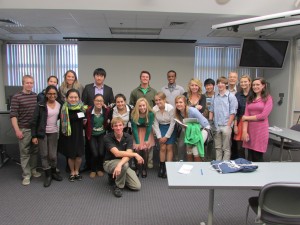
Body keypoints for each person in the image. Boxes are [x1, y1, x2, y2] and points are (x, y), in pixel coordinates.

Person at [10, 75, 41, 186]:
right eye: (27, 83)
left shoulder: (35, 96)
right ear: (23, 83)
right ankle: (26, 175)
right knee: (25, 153)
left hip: (35, 130)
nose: (29, 85)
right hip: (24, 129)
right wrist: (17, 130)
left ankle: (33, 170)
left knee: (34, 151)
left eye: (31, 83)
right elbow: (13, 115)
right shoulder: (16, 97)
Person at [31, 85, 63, 187]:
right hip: (42, 133)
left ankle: (53, 172)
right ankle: (48, 175)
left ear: (57, 94)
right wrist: (34, 136)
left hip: (54, 132)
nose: (52, 95)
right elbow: (34, 121)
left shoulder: (60, 104)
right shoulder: (40, 105)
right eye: (50, 93)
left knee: (52, 155)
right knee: (44, 155)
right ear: (46, 94)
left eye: (54, 93)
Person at [103, 117, 144, 198]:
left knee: (136, 186)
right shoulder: (107, 137)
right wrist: (135, 154)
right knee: (124, 165)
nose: (118, 128)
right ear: (112, 127)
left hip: (122, 163)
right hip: (109, 163)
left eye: (120, 125)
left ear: (123, 126)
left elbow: (128, 154)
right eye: (115, 126)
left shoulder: (128, 137)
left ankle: (115, 177)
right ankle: (118, 186)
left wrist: (119, 164)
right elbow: (117, 153)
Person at [129, 70, 157, 169]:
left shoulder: (153, 91)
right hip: (138, 120)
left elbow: (156, 105)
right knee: (137, 143)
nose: (145, 78)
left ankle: (149, 161)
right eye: (143, 77)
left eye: (147, 77)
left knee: (149, 143)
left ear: (149, 79)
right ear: (140, 78)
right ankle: (138, 162)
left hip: (148, 120)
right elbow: (131, 105)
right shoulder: (134, 91)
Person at [242, 77, 273, 162]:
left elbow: (263, 116)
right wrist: (244, 132)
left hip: (261, 131)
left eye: (258, 85)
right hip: (250, 130)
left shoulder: (268, 98)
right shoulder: (250, 99)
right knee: (250, 156)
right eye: (254, 85)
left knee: (258, 156)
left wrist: (247, 118)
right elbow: (245, 115)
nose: (255, 86)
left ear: (263, 86)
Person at [58, 89, 87, 182]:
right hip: (68, 135)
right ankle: (72, 172)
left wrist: (78, 116)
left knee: (79, 155)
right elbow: (73, 117)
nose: (73, 99)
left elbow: (82, 117)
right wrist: (79, 116)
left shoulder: (82, 107)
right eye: (71, 97)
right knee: (70, 155)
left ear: (79, 98)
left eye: (75, 97)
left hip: (79, 135)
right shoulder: (63, 108)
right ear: (66, 98)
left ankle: (77, 171)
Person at [209, 76, 238, 161]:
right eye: (219, 83)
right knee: (217, 147)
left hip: (226, 125)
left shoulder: (231, 97)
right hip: (216, 125)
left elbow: (233, 112)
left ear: (226, 84)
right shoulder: (214, 96)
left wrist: (228, 125)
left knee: (226, 148)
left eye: (222, 83)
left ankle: (225, 164)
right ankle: (218, 164)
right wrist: (211, 123)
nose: (220, 85)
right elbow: (211, 110)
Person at [175, 95, 211, 162]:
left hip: (203, 129)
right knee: (189, 150)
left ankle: (198, 169)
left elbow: (204, 123)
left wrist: (190, 127)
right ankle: (190, 168)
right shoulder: (178, 112)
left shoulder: (192, 110)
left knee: (195, 149)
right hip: (190, 131)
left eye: (180, 102)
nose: (178, 104)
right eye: (177, 102)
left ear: (185, 103)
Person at [85, 94, 110, 178]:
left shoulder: (106, 110)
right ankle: (93, 169)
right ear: (94, 101)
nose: (99, 102)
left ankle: (100, 169)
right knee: (94, 153)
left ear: (103, 102)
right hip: (91, 134)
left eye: (101, 101)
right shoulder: (88, 111)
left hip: (102, 134)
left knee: (101, 152)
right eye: (97, 100)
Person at [152, 92, 176, 178]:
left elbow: (173, 123)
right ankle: (161, 167)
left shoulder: (170, 108)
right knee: (162, 147)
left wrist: (167, 136)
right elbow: (155, 124)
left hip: (170, 127)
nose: (158, 102)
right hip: (160, 127)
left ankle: (168, 168)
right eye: (156, 100)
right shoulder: (154, 109)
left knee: (169, 147)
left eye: (160, 100)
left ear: (164, 100)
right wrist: (159, 136)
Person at [131, 98, 155, 178]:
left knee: (145, 149)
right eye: (140, 106)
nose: (142, 107)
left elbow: (149, 127)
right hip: (137, 133)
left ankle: (144, 169)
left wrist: (146, 140)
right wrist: (137, 142)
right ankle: (138, 168)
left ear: (146, 105)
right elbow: (134, 128)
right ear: (137, 107)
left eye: (143, 105)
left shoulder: (151, 114)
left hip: (147, 133)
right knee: (137, 149)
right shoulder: (134, 113)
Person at [233, 75, 251, 159]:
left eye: (245, 81)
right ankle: (242, 163)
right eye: (241, 82)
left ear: (249, 82)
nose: (243, 83)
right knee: (240, 147)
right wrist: (235, 125)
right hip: (240, 121)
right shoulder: (238, 95)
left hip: (252, 122)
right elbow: (235, 111)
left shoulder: (254, 94)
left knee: (251, 147)